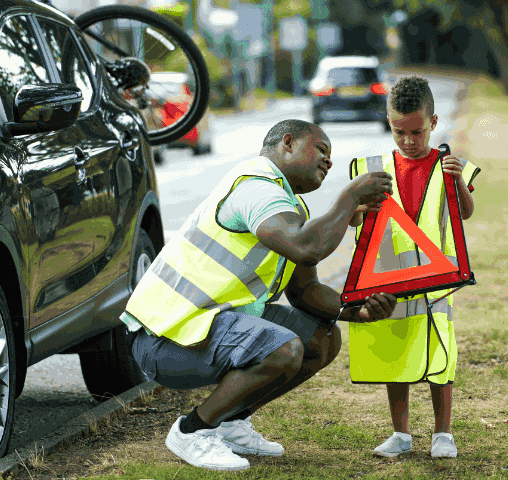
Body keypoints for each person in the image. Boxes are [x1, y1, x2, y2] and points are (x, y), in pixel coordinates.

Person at [120, 119, 398, 471]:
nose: (328, 162)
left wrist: (355, 310)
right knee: (283, 348)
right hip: (162, 338)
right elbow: (304, 248)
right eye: (322, 150)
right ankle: (193, 431)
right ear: (287, 143)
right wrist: (349, 198)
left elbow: (305, 291)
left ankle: (232, 422)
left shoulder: (289, 205)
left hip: (205, 325)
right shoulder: (257, 186)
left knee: (321, 338)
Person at [349, 77, 481, 459]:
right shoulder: (372, 169)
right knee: (396, 352)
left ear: (434, 122)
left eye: (417, 131)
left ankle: (443, 433)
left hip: (436, 279)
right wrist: (359, 207)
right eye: (398, 131)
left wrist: (456, 181)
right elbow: (353, 221)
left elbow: (466, 214)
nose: (408, 140)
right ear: (388, 124)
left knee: (441, 354)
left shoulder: (449, 163)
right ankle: (400, 433)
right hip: (388, 278)